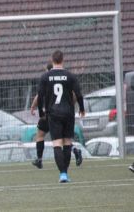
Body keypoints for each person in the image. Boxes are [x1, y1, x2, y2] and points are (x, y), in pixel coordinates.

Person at [37, 50, 85, 183]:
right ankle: (65, 173)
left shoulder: (45, 77)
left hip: (53, 113)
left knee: (57, 144)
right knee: (67, 143)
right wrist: (82, 109)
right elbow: (79, 94)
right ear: (63, 60)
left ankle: (63, 174)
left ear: (52, 60)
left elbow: (40, 96)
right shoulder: (70, 76)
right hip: (68, 113)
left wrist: (41, 112)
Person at [30, 62, 83, 169]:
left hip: (50, 113)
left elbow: (38, 96)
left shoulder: (47, 79)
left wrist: (33, 107)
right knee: (63, 140)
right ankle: (75, 151)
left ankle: (39, 159)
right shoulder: (65, 79)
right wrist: (69, 105)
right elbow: (74, 95)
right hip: (63, 113)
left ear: (48, 70)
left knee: (40, 135)